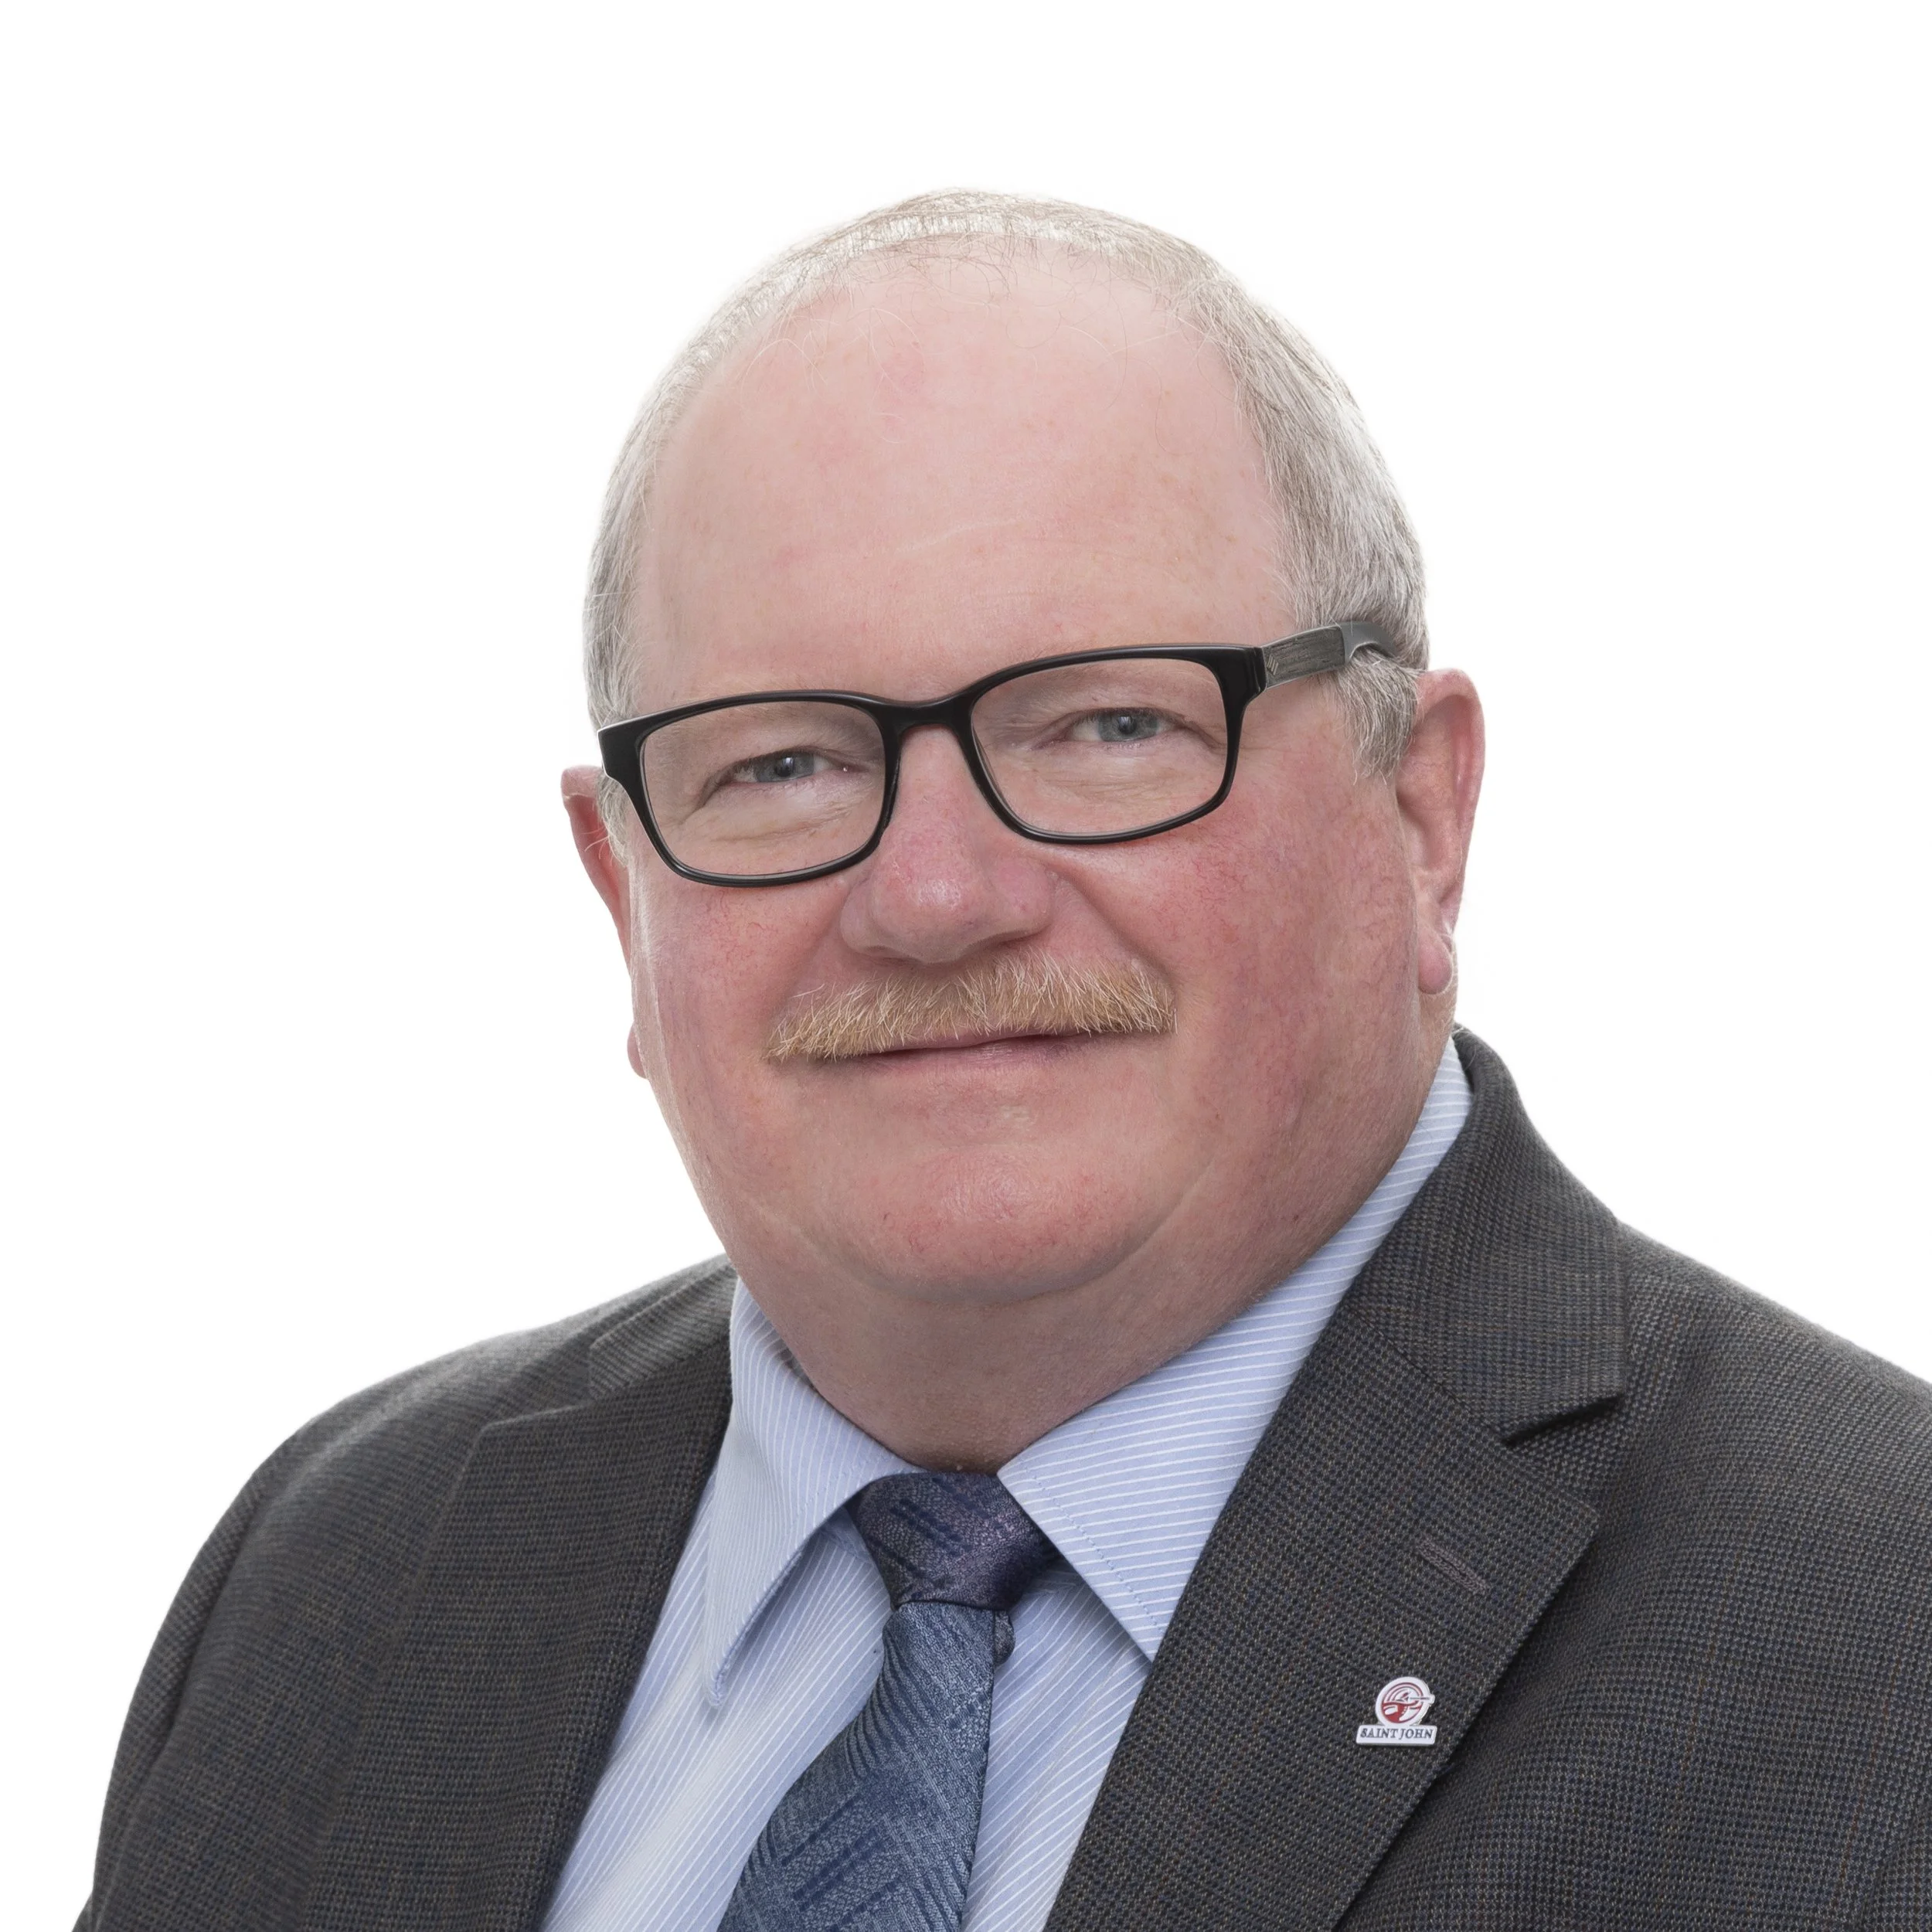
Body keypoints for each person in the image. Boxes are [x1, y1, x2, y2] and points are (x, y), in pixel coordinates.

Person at [79, 192, 1932, 1932]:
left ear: (1418, 817)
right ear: (621, 887)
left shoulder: (1876, 1643)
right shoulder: (338, 1575)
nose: (935, 895)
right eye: (781, 763)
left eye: (1108, 727)